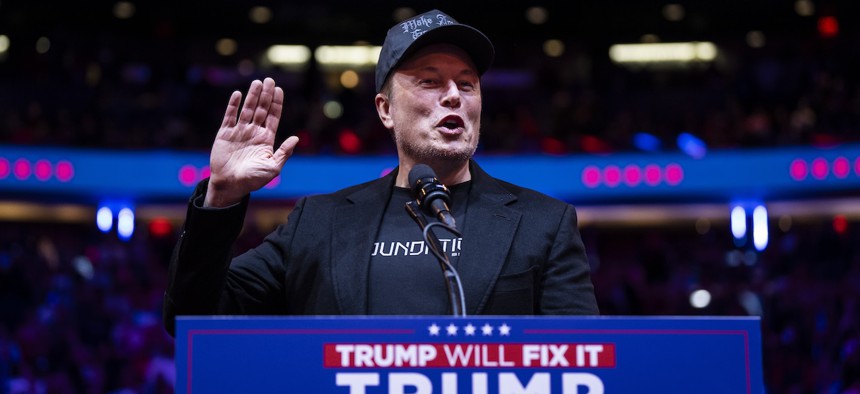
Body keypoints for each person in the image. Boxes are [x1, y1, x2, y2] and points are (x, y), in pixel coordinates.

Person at [162, 9, 598, 335]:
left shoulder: (545, 223)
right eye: (429, 81)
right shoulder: (317, 223)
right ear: (385, 110)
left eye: (466, 84)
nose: (453, 97)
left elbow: (582, 361)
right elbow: (191, 319)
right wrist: (222, 197)